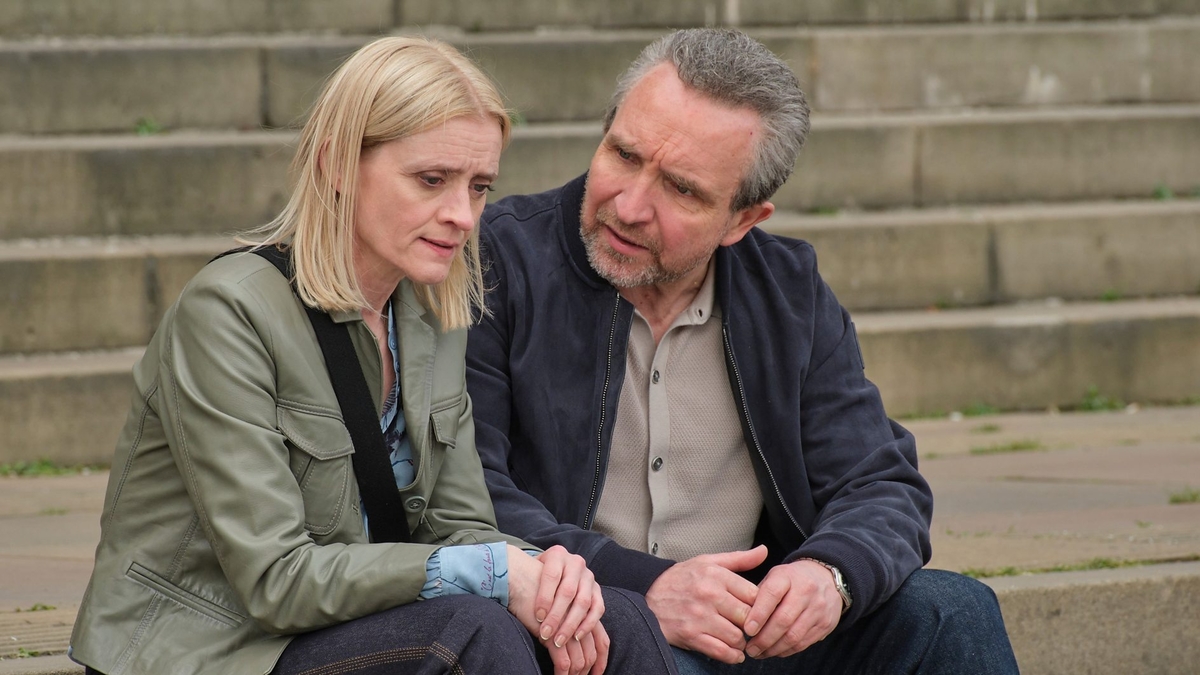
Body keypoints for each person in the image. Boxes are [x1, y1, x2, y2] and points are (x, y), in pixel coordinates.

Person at [69, 36, 678, 675]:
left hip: (350, 620)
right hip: (216, 645)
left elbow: (462, 529)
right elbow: (278, 580)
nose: (463, 216)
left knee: (617, 615)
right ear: (337, 165)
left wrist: (550, 576)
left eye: (478, 187)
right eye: (431, 180)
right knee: (472, 634)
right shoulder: (228, 314)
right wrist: (495, 574)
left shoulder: (429, 313)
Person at [466, 28, 1020, 674]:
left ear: (743, 221)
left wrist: (828, 573)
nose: (630, 204)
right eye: (623, 154)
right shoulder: (500, 262)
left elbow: (880, 480)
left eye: (682, 189)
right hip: (587, 626)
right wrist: (643, 586)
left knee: (952, 610)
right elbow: (470, 493)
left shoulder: (788, 292)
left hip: (749, 635)